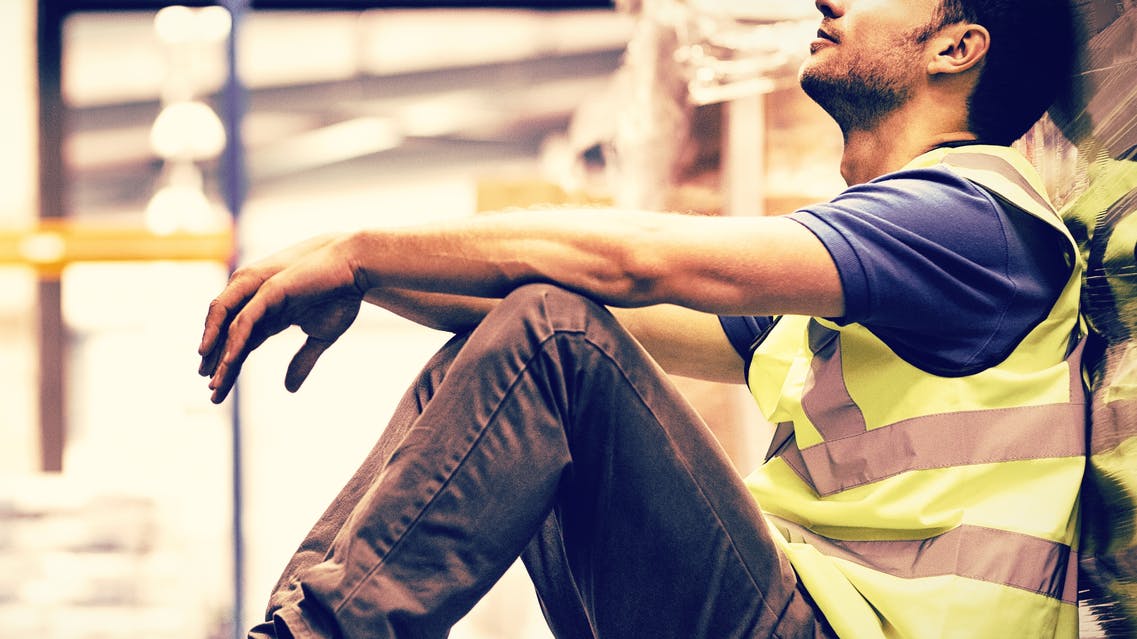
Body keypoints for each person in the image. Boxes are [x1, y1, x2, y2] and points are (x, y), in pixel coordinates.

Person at [198, 0, 1083, 636]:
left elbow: (636, 262)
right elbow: (545, 309)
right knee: (515, 327)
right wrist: (366, 278)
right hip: (814, 611)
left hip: (850, 628)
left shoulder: (969, 218)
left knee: (549, 329)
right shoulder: (888, 264)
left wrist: (358, 249)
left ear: (957, 48)